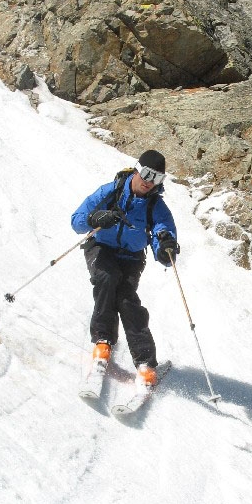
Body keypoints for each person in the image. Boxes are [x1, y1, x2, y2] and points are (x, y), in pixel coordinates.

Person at [71, 150, 178, 387]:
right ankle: (103, 342)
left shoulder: (155, 206)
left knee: (126, 300)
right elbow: (77, 220)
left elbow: (163, 232)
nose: (150, 183)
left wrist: (165, 247)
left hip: (131, 257)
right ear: (137, 169)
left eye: (158, 179)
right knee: (106, 279)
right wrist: (95, 218)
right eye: (148, 174)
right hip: (101, 247)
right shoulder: (111, 191)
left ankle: (146, 364)